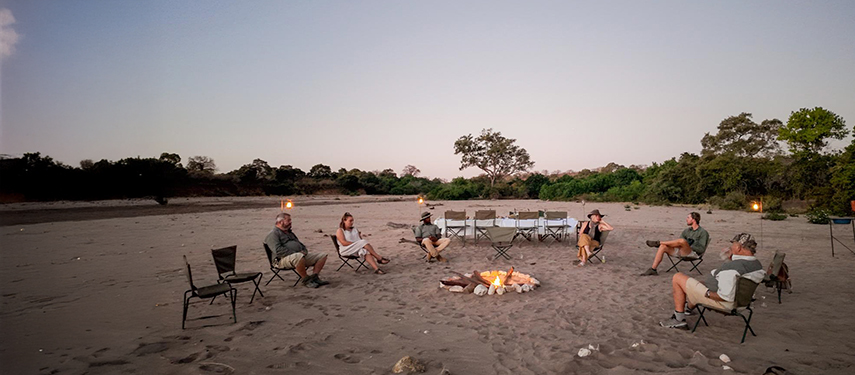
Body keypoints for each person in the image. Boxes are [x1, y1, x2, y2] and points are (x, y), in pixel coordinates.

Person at [660, 233, 765, 328]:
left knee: (677, 277)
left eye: (733, 245)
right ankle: (688, 309)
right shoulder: (756, 264)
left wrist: (707, 293)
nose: (731, 247)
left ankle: (679, 319)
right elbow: (737, 275)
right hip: (742, 302)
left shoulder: (732, 269)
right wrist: (731, 259)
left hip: (725, 304)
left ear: (738, 247)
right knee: (698, 283)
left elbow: (725, 296)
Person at [264, 212, 329, 288]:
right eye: (288, 220)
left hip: (298, 256)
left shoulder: (289, 232)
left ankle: (315, 277)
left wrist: (304, 251)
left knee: (322, 256)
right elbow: (278, 251)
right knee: (298, 256)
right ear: (281, 222)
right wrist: (295, 253)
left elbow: (300, 244)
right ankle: (306, 280)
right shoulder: (273, 234)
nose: (290, 222)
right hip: (281, 260)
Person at [640, 212, 709, 276]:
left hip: (692, 253)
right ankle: (653, 269)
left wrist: (689, 246)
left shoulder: (703, 232)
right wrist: (683, 244)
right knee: (663, 246)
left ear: (693, 220)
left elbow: (701, 249)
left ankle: (658, 242)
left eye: (688, 218)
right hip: (681, 251)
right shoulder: (687, 231)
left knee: (682, 241)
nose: (686, 219)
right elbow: (678, 242)